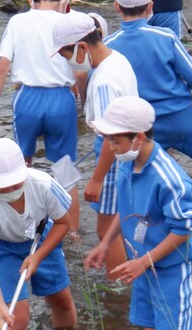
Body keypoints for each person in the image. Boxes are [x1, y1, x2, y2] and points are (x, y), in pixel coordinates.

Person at [84, 96, 192, 330]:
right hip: (145, 266)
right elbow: (128, 212)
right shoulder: (129, 164)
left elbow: (183, 230)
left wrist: (144, 261)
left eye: (115, 141)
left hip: (173, 268)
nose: (111, 148)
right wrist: (106, 243)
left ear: (138, 137)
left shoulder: (170, 179)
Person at [106, 0, 192, 220]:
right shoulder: (165, 36)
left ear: (117, 7)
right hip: (180, 115)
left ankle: (149, 218)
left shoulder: (110, 45)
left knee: (146, 169)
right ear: (150, 7)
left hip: (144, 124)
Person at [0, 138, 77, 330]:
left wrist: (38, 255)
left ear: (26, 169)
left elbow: (63, 223)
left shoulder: (44, 185)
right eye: (2, 186)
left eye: (15, 183)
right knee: (15, 319)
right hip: (6, 249)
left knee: (62, 301)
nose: (10, 190)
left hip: (43, 240)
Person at [0, 0, 82, 235]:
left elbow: (2, 67)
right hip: (61, 99)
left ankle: (24, 228)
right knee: (66, 171)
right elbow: (79, 72)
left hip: (27, 99)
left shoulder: (18, 21)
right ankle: (73, 234)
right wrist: (83, 104)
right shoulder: (69, 22)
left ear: (30, 1)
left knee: (20, 166)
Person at [52, 11, 138, 279]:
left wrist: (96, 180)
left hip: (114, 162)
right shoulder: (117, 60)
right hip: (130, 154)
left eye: (67, 56)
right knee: (123, 226)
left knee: (106, 232)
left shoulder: (103, 83)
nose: (69, 63)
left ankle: (120, 287)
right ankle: (134, 272)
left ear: (81, 47)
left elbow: (109, 139)